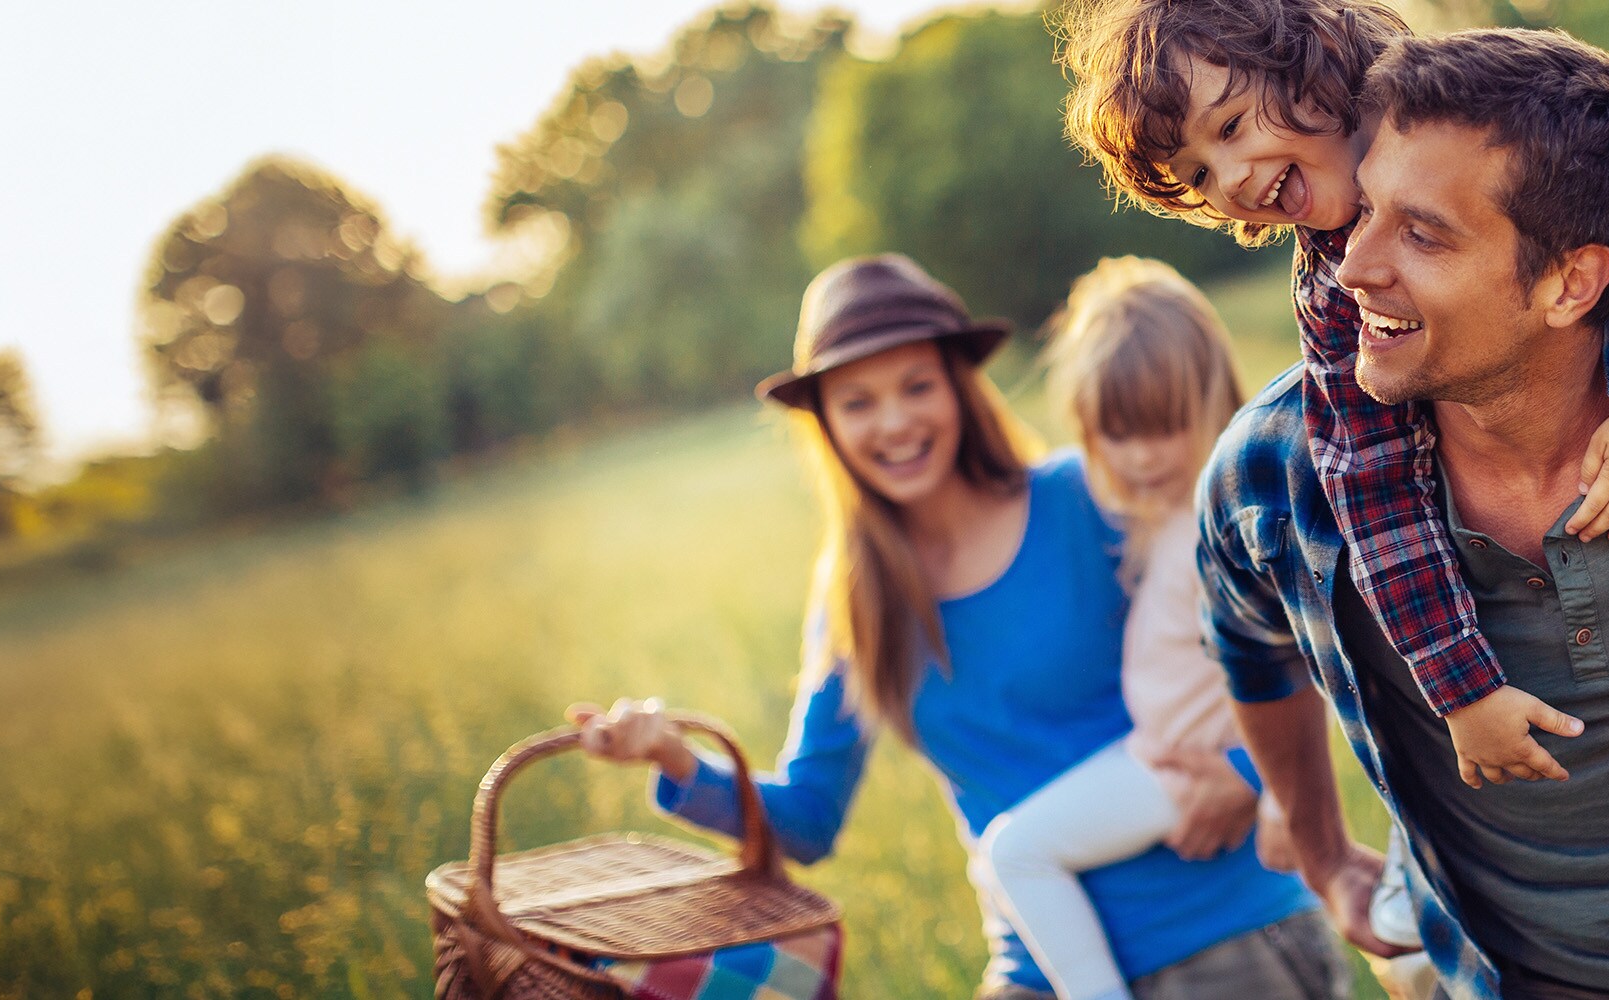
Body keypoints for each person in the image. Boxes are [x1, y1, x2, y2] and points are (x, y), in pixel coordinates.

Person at [1054, 0, 1609, 927]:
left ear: (1311, 62)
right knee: (1426, 610)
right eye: (1195, 172)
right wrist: (1460, 689)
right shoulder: (1329, 290)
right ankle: (1424, 847)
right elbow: (1373, 492)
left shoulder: (1489, 97)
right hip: (1500, 476)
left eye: (1231, 127)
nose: (1230, 177)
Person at [567, 253, 1348, 1000]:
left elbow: (1273, 637)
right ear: (829, 428)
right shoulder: (856, 602)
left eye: (917, 385)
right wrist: (676, 758)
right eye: (858, 401)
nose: (895, 422)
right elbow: (806, 820)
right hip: (1037, 970)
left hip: (1221, 943)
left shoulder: (1090, 499)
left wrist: (1252, 778)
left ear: (960, 389)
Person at [958, 256, 1251, 1000]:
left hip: (1184, 763)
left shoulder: (1223, 525)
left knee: (1015, 854)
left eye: (1164, 427)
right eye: (1118, 434)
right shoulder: (1160, 514)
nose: (1143, 454)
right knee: (999, 859)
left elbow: (1309, 659)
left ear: (1211, 399)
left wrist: (1271, 793)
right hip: (1156, 749)